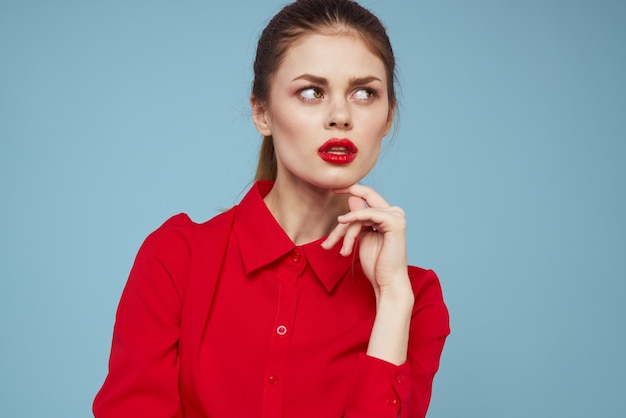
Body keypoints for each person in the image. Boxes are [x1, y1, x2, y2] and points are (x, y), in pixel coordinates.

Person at [93, 0, 450, 417]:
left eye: (364, 93)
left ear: (388, 117)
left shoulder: (413, 299)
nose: (340, 116)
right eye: (312, 92)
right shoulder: (177, 258)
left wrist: (390, 302)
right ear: (262, 112)